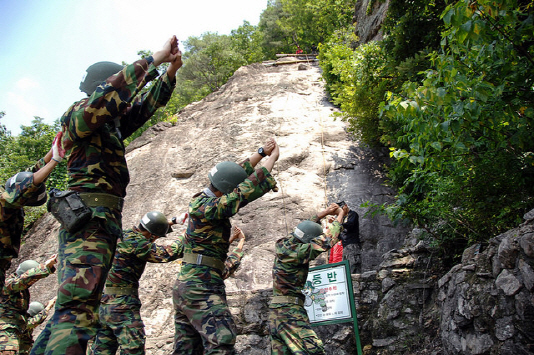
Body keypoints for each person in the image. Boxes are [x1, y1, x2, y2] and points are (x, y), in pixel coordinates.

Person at [31, 36, 183, 355]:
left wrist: (169, 74)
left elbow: (142, 108)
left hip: (103, 225)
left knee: (75, 311)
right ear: (103, 88)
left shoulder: (108, 127)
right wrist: (152, 60)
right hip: (88, 224)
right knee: (77, 313)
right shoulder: (80, 116)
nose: (127, 101)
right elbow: (114, 96)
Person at [172, 138, 280, 355]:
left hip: (190, 285)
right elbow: (243, 191)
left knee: (188, 349)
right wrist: (273, 159)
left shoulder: (203, 199)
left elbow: (232, 175)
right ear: (226, 190)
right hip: (201, 285)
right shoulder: (208, 207)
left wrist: (260, 152)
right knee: (222, 340)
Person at [89, 211, 184, 355]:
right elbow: (167, 254)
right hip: (122, 306)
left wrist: (173, 221)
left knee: (102, 349)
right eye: (156, 236)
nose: (156, 238)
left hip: (104, 305)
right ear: (151, 234)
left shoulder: (124, 235)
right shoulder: (137, 243)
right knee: (134, 348)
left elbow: (148, 233)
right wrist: (185, 237)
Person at [268, 204, 346, 355]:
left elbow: (303, 231)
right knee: (313, 351)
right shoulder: (300, 252)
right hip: (290, 313)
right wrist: (340, 215)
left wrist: (323, 214)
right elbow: (325, 241)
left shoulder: (285, 245)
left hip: (276, 314)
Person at [0, 133, 64, 289]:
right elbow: (26, 186)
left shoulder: (10, 195)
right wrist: (55, 161)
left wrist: (53, 152)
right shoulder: (5, 202)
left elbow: (29, 176)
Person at [0, 255, 58, 354]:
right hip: (6, 333)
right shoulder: (9, 284)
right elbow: (23, 280)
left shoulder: (20, 291)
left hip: (14, 331)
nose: (32, 282)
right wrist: (45, 266)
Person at [338, 204, 360, 273]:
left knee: (354, 265)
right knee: (346, 267)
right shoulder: (344, 218)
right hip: (345, 245)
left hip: (352, 243)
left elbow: (350, 225)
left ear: (345, 206)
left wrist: (339, 223)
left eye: (342, 209)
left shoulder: (353, 214)